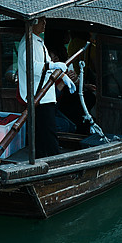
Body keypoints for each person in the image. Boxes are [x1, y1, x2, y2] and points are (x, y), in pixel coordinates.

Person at [17, 17, 76, 158]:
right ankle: (50, 159)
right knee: (47, 132)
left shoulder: (38, 41)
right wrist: (53, 66)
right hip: (38, 96)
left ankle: (46, 157)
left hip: (45, 96)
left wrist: (63, 76)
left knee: (46, 131)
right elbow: (31, 66)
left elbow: (47, 63)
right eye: (41, 21)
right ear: (33, 23)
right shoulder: (27, 43)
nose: (44, 24)